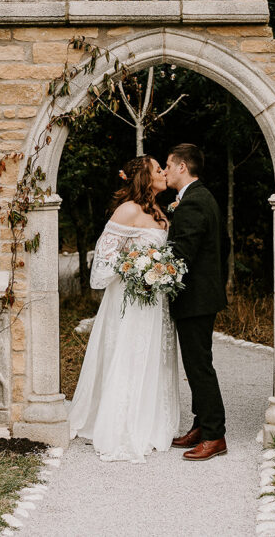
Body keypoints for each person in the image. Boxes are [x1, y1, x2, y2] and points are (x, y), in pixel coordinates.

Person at [68, 155, 180, 463]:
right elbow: (103, 262)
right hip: (131, 298)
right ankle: (122, 425)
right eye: (159, 170)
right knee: (130, 355)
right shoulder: (128, 210)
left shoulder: (157, 209)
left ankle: (150, 419)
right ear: (145, 177)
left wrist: (160, 271)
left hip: (155, 298)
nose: (164, 173)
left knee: (152, 355)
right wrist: (137, 270)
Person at [165, 143, 228, 461]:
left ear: (181, 167)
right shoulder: (201, 197)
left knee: (199, 366)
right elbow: (224, 246)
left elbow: (180, 256)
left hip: (195, 298)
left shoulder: (192, 203)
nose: (164, 171)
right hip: (204, 294)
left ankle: (215, 435)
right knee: (195, 364)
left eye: (168, 165)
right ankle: (201, 425)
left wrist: (156, 271)